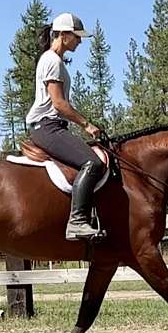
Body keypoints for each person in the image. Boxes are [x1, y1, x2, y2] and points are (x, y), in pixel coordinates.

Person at [26, 12, 105, 241]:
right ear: (63, 35)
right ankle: (78, 221)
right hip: (47, 126)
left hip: (51, 126)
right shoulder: (52, 61)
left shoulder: (54, 60)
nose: (80, 41)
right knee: (92, 162)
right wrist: (87, 125)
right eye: (77, 37)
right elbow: (59, 103)